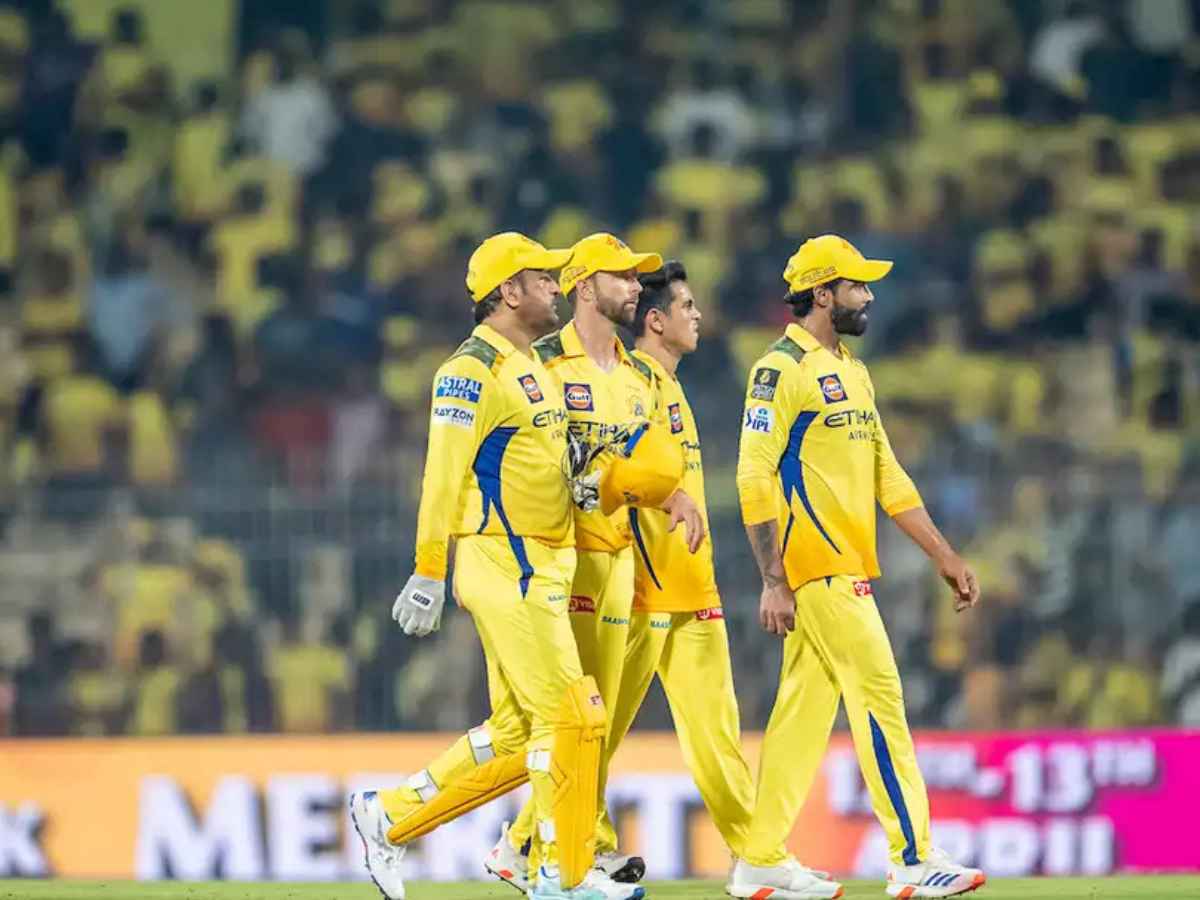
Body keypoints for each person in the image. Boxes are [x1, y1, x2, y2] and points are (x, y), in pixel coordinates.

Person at [349, 232, 613, 900]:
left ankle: (389, 816)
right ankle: (559, 873)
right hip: (507, 559)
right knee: (571, 717)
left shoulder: (533, 366)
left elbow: (539, 463)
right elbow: (442, 474)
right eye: (542, 276)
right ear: (508, 292)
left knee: (519, 731)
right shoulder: (468, 371)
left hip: (544, 560)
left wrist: (583, 485)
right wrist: (428, 569)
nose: (554, 285)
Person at [733, 235, 987, 900]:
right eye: (856, 286)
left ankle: (759, 858)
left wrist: (943, 554)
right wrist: (773, 579)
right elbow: (753, 474)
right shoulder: (779, 369)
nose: (869, 296)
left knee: (801, 716)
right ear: (822, 293)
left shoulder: (852, 370)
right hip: (816, 568)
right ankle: (912, 857)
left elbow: (887, 474)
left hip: (843, 566)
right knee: (878, 697)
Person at [610, 260, 843, 895]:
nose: (697, 315)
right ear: (655, 321)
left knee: (716, 739)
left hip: (691, 586)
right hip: (643, 590)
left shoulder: (670, 385)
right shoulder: (630, 383)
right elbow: (611, 471)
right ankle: (532, 838)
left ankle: (757, 856)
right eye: (686, 306)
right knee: (596, 731)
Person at [488, 235, 704, 897]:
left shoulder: (640, 377)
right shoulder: (543, 363)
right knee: (570, 720)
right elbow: (526, 454)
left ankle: (543, 844)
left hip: (617, 559)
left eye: (638, 279)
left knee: (597, 722)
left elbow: (637, 463)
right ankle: (548, 851)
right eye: (622, 277)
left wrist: (672, 495)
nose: (636, 288)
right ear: (585, 286)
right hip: (560, 558)